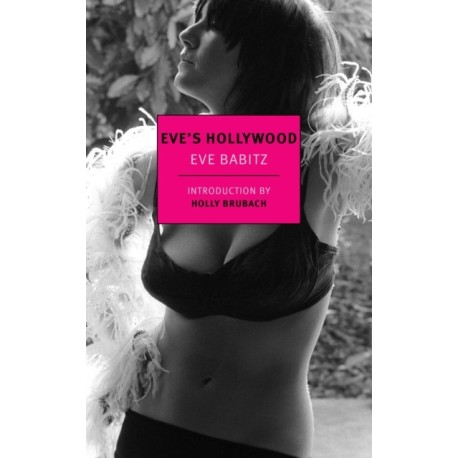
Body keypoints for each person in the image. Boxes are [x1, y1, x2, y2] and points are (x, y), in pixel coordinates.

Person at [86, 0, 371, 457]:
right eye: (194, 20)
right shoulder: (159, 165)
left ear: (267, 52)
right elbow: (92, 258)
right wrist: (125, 344)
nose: (186, 35)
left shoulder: (325, 162)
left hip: (263, 442)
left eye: (212, 25)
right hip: (151, 428)